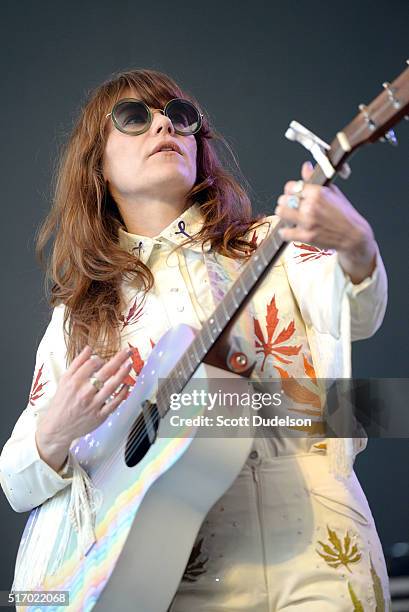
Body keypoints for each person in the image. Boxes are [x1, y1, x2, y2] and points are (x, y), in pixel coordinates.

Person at [0, 68, 391, 611]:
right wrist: (54, 435)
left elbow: (357, 311)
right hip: (170, 582)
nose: (164, 123)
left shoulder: (271, 240)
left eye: (180, 117)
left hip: (320, 553)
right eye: (135, 118)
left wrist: (358, 248)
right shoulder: (81, 316)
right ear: (97, 165)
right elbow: (16, 481)